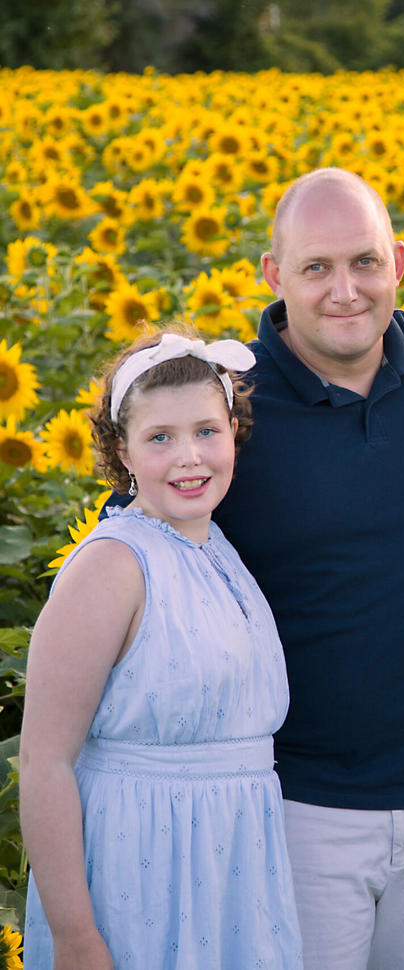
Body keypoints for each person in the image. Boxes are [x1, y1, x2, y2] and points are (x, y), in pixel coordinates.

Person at [210, 167, 404, 970]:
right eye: (316, 267)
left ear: (400, 260)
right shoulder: (228, 405)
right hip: (299, 805)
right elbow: (128, 554)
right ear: (273, 275)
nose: (346, 290)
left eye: (365, 262)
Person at [20, 331, 304, 968]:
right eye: (159, 438)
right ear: (121, 450)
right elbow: (43, 761)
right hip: (139, 874)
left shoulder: (217, 551)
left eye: (207, 430)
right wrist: (74, 935)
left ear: (234, 430)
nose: (189, 457)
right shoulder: (113, 564)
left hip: (233, 874)